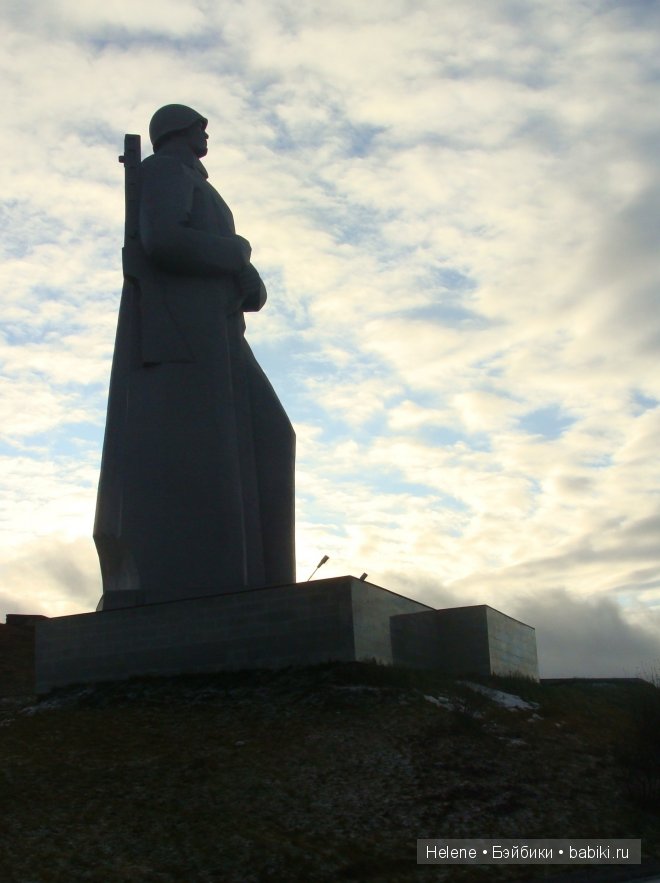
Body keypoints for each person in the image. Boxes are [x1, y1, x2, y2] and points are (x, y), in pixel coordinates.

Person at [94, 104, 296, 610]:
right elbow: (163, 240)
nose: (207, 134)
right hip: (187, 332)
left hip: (218, 329)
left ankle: (267, 584)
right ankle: (215, 581)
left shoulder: (194, 180)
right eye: (200, 126)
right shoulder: (163, 169)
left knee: (269, 435)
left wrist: (243, 275)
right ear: (179, 131)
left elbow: (209, 254)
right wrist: (237, 252)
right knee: (226, 445)